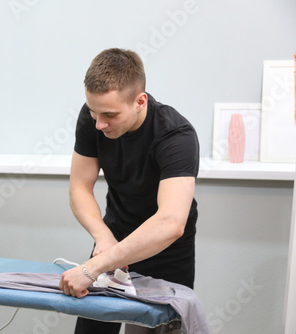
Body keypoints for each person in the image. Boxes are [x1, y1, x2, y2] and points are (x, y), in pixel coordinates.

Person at [58, 48, 200, 333]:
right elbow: (79, 187)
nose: (99, 124)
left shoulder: (175, 135)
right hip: (113, 237)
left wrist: (91, 269)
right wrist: (102, 237)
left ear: (140, 101)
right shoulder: (94, 118)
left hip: (164, 252)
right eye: (93, 112)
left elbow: (170, 223)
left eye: (109, 115)